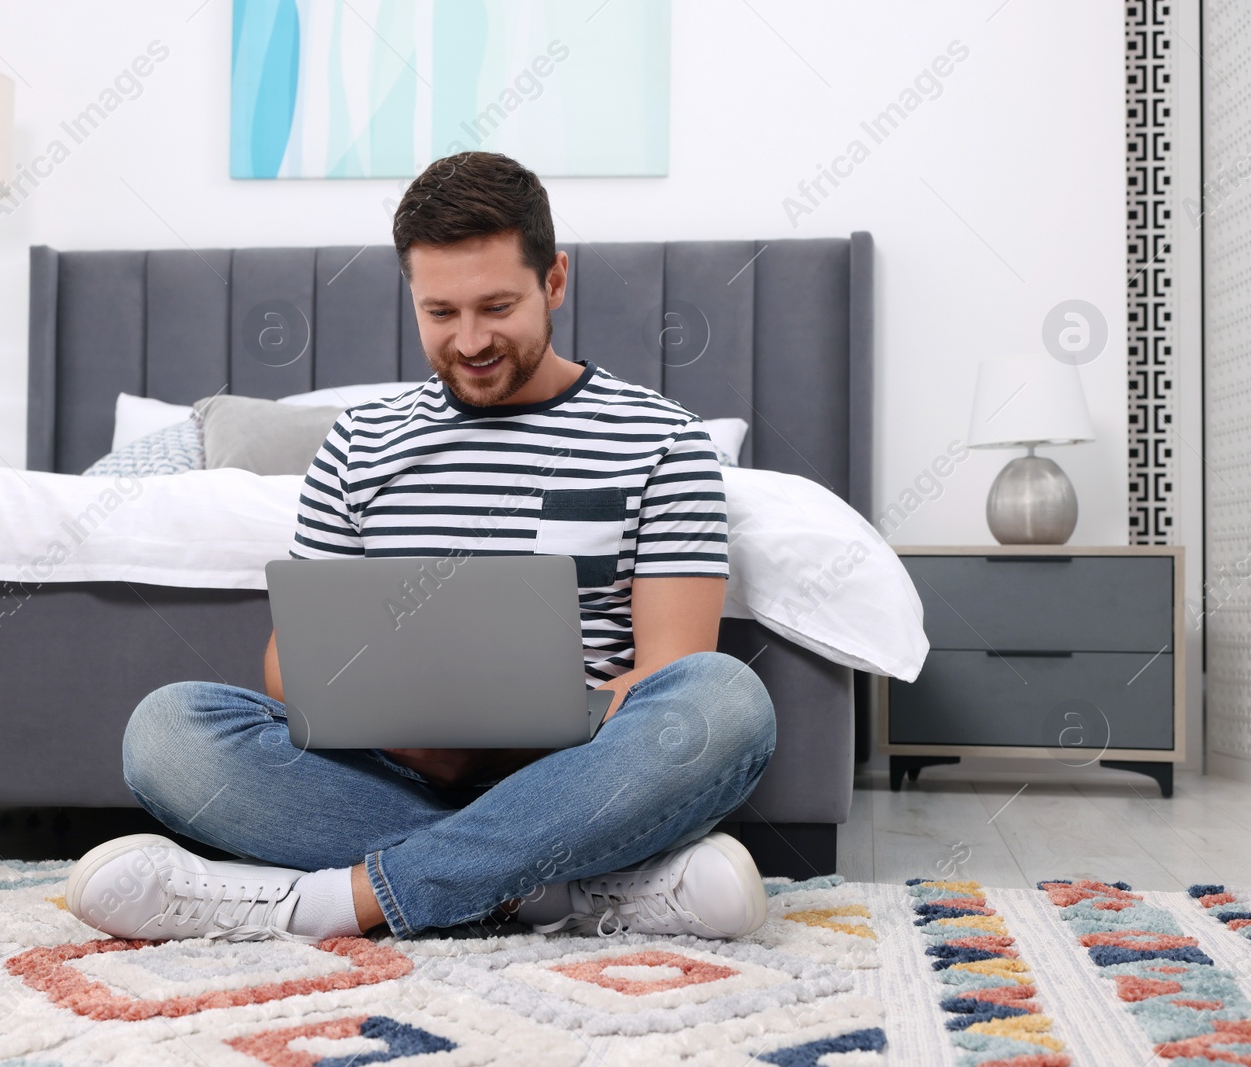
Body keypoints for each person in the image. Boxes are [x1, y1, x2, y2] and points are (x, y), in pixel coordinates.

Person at [64, 151, 777, 944]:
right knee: (167, 731)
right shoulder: (360, 442)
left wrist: (521, 732)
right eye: (441, 312)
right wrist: (400, 728)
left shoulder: (662, 438)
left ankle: (335, 903)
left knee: (724, 702)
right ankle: (564, 889)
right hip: (394, 770)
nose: (470, 340)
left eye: (497, 306)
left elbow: (673, 669)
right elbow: (287, 664)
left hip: (580, 769)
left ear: (555, 281)